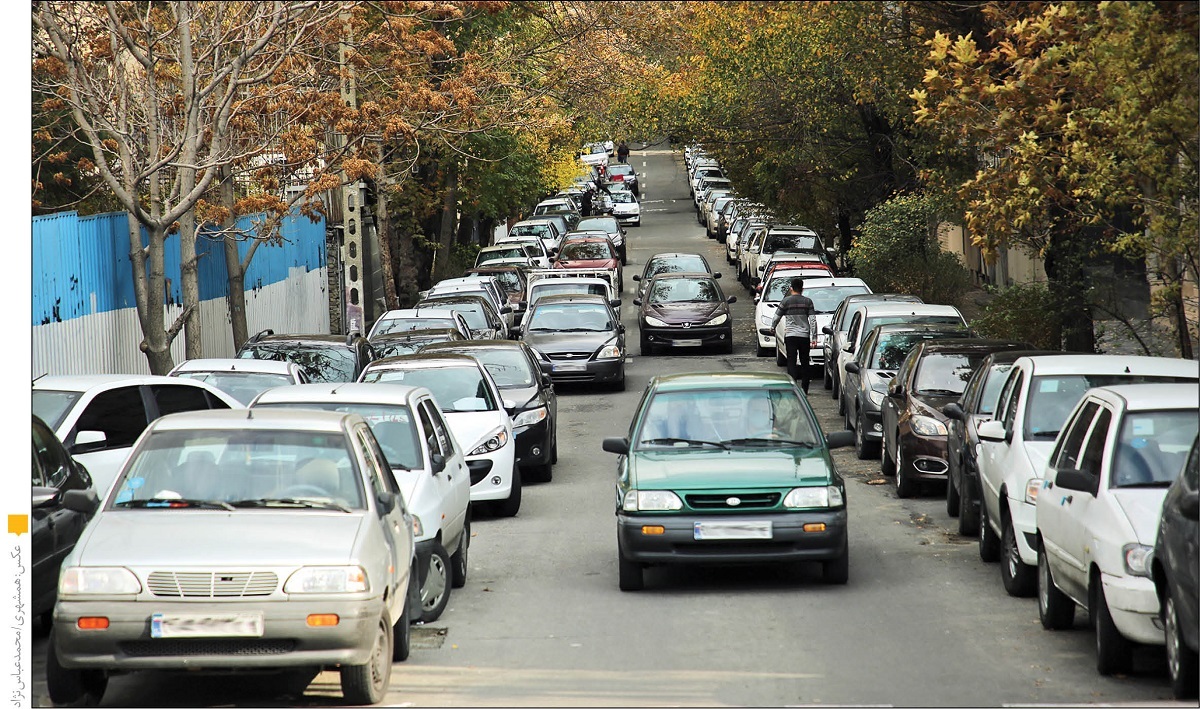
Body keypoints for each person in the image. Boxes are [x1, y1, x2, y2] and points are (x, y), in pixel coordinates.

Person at [770, 277, 816, 393]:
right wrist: (814, 337)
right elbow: (813, 320)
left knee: (791, 361)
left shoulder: (786, 301)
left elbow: (776, 317)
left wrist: (772, 327)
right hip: (804, 336)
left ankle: (793, 388)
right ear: (802, 289)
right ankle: (805, 389)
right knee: (805, 361)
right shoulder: (808, 302)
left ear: (791, 289)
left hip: (790, 335)